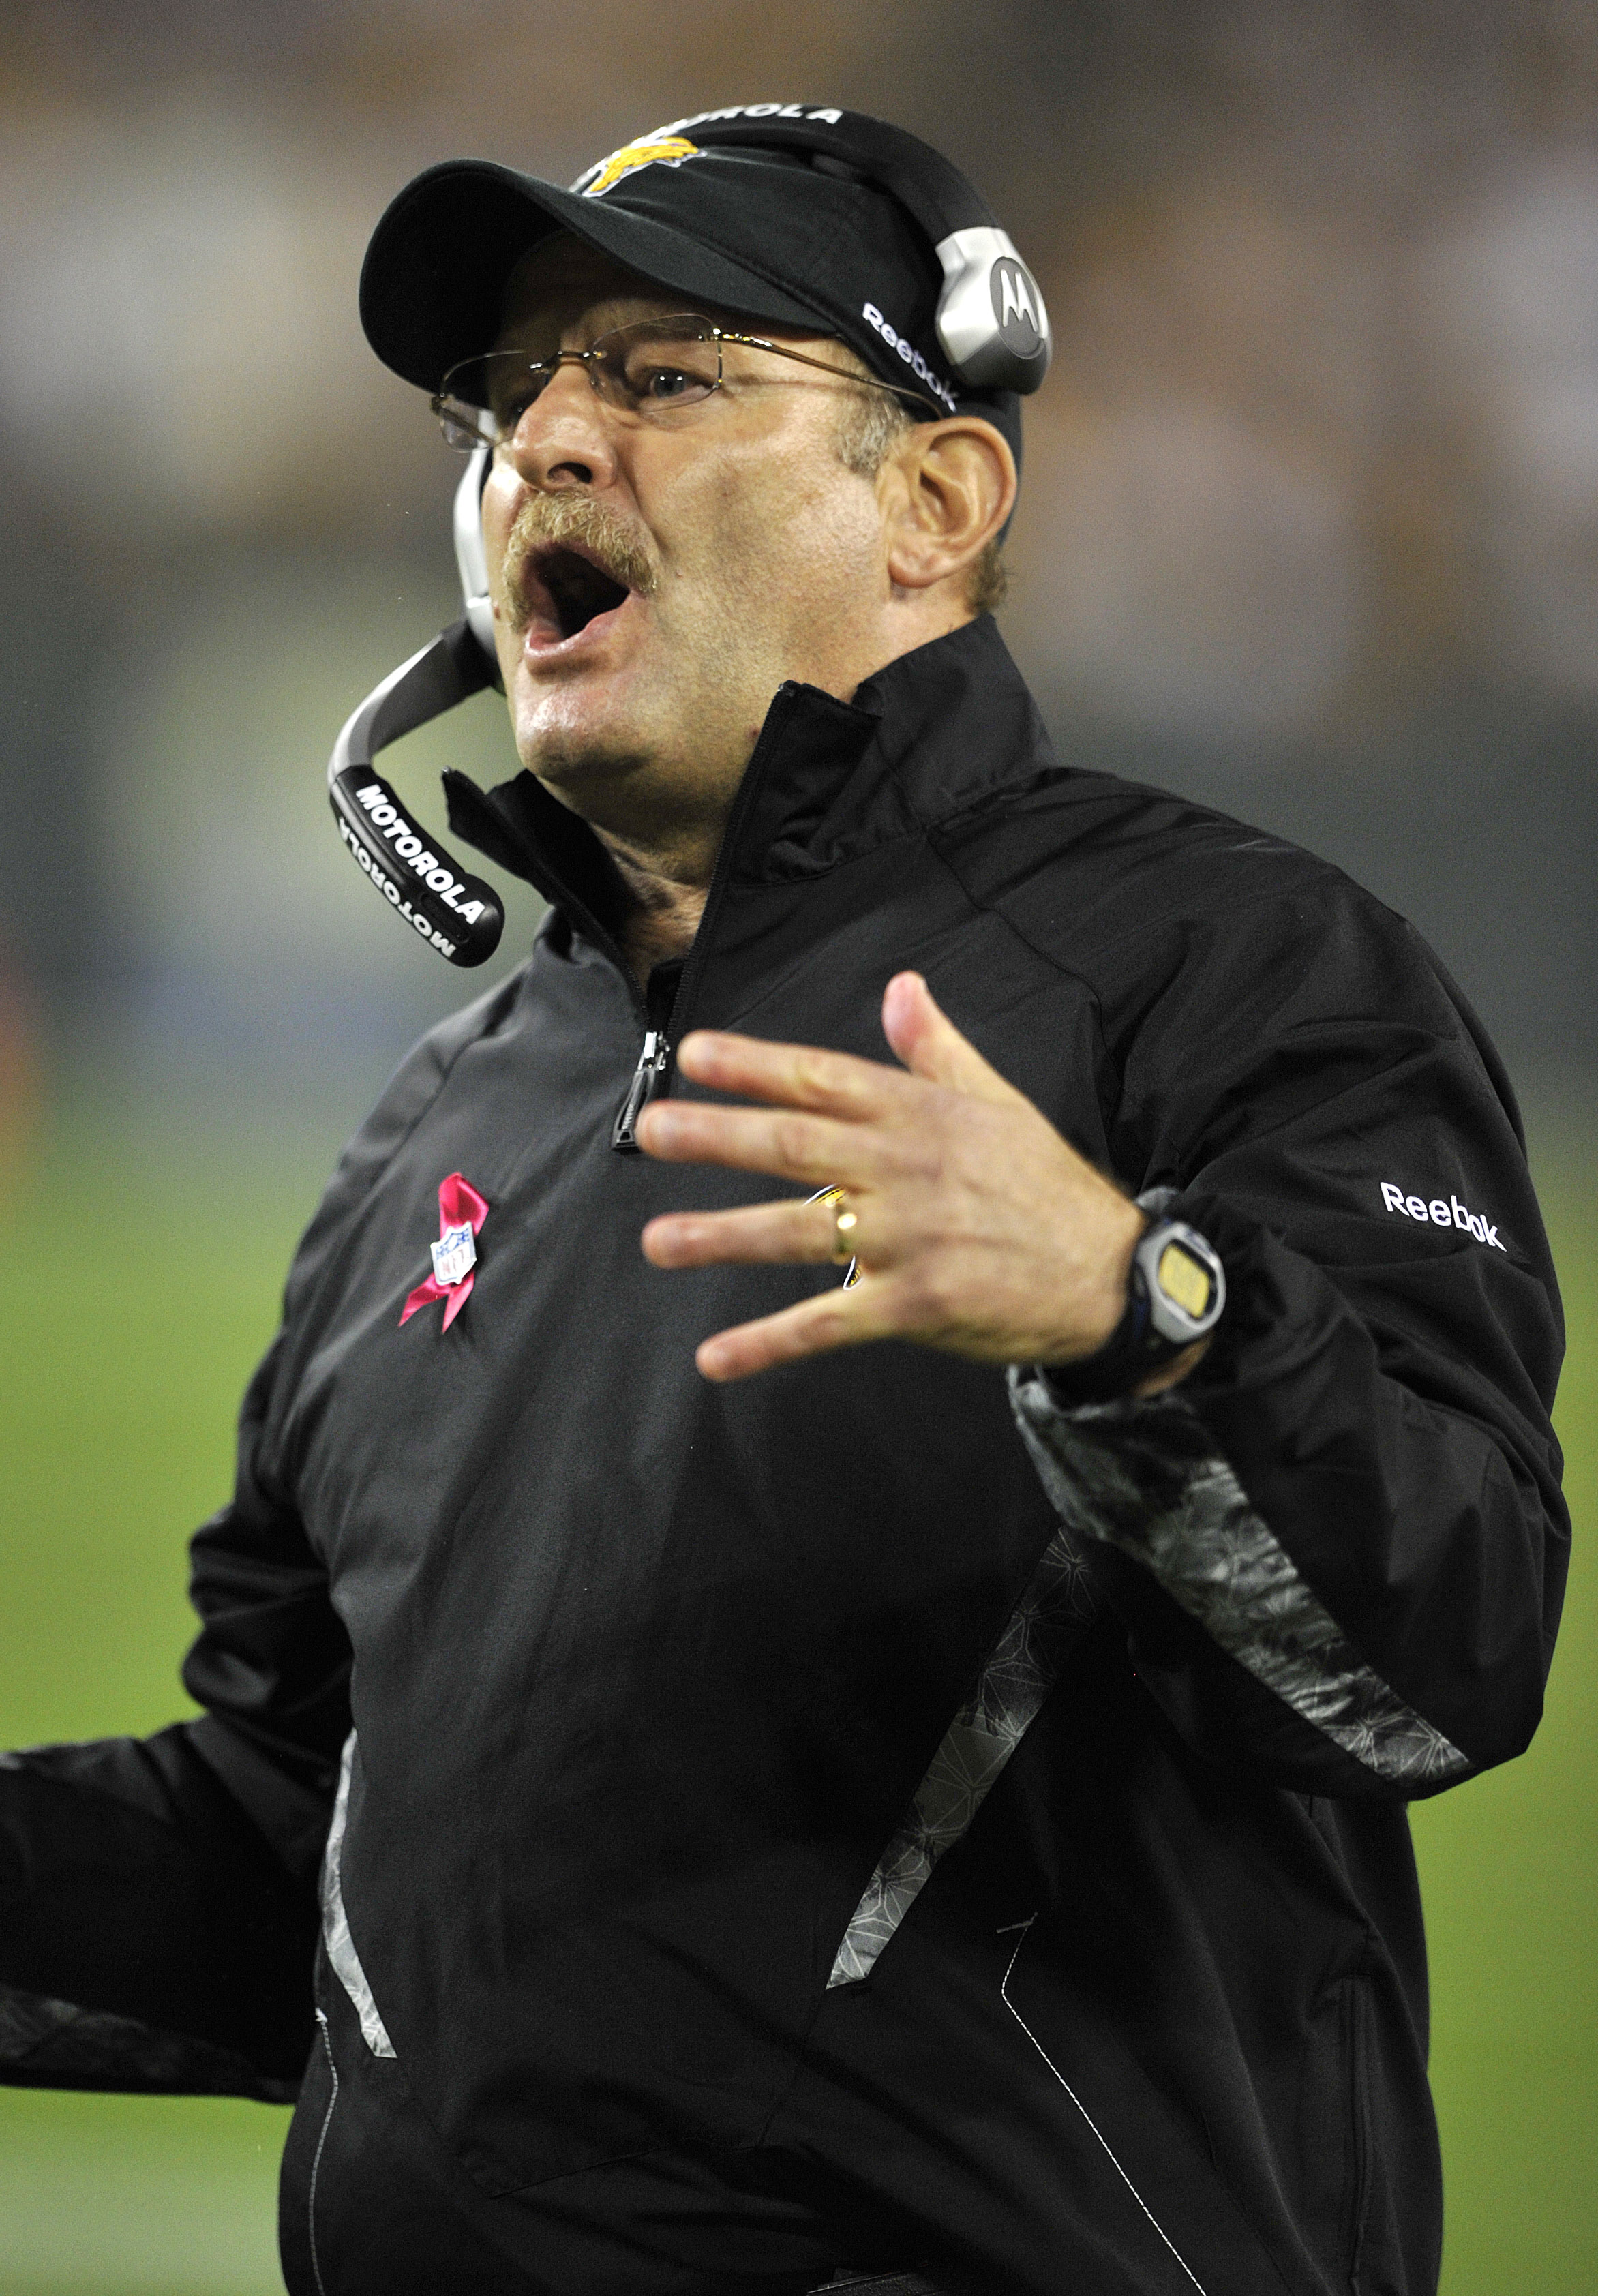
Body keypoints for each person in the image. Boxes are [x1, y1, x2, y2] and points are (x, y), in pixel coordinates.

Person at [0, 105, 1567, 2296]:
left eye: (663, 374)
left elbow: (1444, 1654)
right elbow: (311, 1869)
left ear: (934, 502)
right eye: (507, 397)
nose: (547, 442)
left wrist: (1141, 1315)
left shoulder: (1231, 971)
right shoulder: (436, 1130)